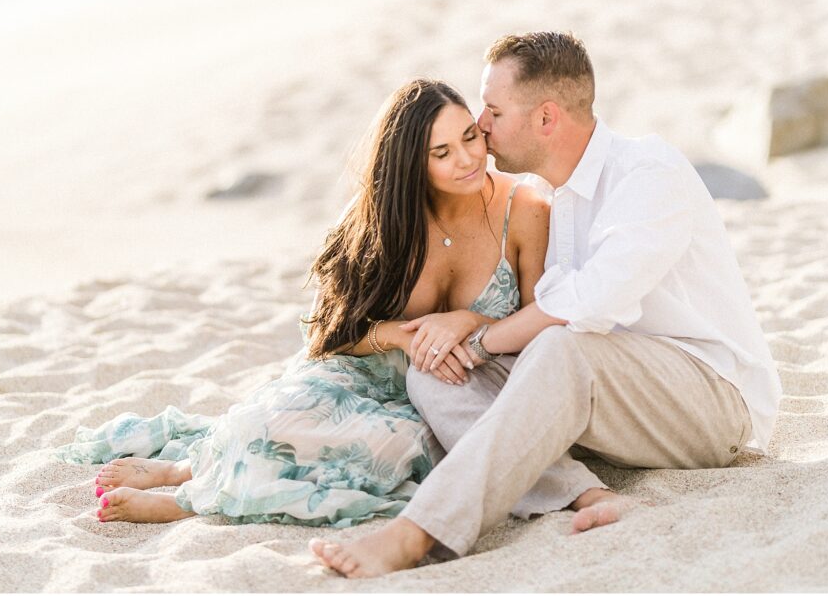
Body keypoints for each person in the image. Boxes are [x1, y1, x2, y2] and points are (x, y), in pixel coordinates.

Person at [310, 31, 783, 577]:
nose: (480, 126)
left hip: (712, 404)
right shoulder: (552, 199)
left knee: (562, 345)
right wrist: (467, 331)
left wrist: (481, 336)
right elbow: (543, 321)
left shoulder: (648, 174)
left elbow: (587, 305)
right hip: (612, 401)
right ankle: (588, 494)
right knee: (438, 372)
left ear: (546, 118)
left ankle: (420, 533)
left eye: (493, 110)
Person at [53, 78, 551, 526]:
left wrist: (469, 319)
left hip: (446, 389)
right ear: (410, 164)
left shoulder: (525, 210)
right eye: (440, 153)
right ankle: (187, 472)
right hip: (363, 369)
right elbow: (326, 331)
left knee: (386, 451)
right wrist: (394, 334)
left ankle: (188, 497)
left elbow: (540, 324)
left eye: (469, 136)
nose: (466, 159)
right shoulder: (382, 216)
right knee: (270, 423)